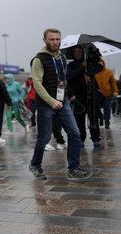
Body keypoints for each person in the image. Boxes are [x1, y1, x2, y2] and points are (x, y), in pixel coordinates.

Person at [28, 29, 91, 181]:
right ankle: (35, 164)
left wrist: (69, 94)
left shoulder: (62, 58)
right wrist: (51, 101)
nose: (55, 42)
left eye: (57, 39)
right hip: (45, 105)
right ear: (45, 40)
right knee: (44, 138)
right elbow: (37, 84)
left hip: (63, 103)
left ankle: (73, 168)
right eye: (52, 39)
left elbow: (62, 79)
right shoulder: (38, 59)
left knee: (75, 133)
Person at [65, 45, 100, 147]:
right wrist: (82, 67)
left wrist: (88, 72)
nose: (78, 53)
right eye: (75, 52)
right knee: (79, 120)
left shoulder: (90, 64)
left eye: (79, 51)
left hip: (91, 95)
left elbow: (99, 70)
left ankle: (95, 138)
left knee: (93, 119)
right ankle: (81, 138)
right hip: (78, 97)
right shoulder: (71, 65)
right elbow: (69, 77)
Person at [94, 58, 118, 129]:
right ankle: (100, 119)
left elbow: (113, 82)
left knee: (107, 108)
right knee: (97, 109)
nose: (100, 63)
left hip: (107, 94)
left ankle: (107, 122)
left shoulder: (108, 72)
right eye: (98, 62)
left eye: (101, 62)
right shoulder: (94, 72)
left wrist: (116, 91)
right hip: (98, 94)